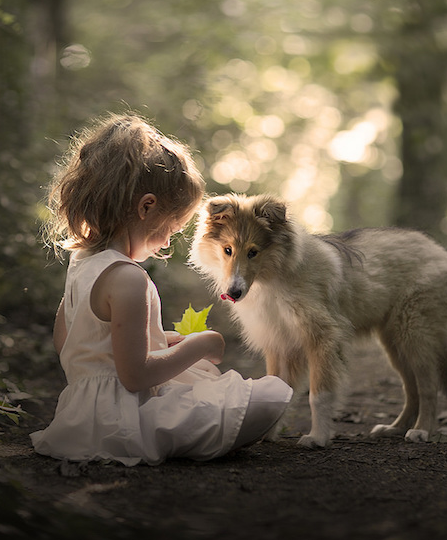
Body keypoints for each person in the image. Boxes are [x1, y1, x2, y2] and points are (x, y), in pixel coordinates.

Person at [31, 113, 292, 466]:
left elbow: (75, 344)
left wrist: (161, 340)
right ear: (146, 207)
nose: (169, 240)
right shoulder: (128, 278)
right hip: (126, 419)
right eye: (171, 227)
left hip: (81, 416)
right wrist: (201, 343)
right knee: (270, 397)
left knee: (202, 376)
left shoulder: (81, 266)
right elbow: (136, 376)